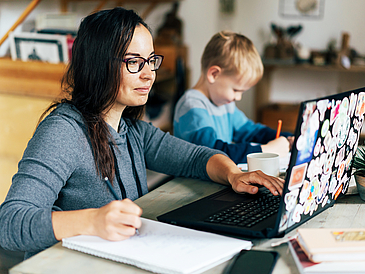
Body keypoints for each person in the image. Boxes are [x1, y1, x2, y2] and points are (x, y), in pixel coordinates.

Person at [0, 8, 284, 259]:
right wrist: (92, 221)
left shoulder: (133, 130)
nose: (149, 74)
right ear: (100, 65)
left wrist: (233, 174)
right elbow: (10, 223)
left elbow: (196, 158)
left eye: (151, 61)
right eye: (134, 62)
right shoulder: (62, 131)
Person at [173, 31, 294, 164]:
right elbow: (214, 153)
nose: (238, 97)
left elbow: (251, 131)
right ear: (214, 74)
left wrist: (288, 138)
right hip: (191, 183)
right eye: (236, 90)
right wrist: (265, 150)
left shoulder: (225, 103)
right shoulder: (192, 106)